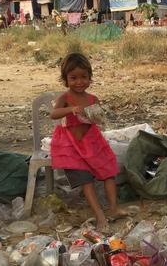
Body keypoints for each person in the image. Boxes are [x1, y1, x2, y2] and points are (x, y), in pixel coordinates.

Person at [50, 53, 125, 231]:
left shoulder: (93, 99)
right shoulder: (65, 98)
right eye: (73, 78)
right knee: (86, 180)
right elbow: (54, 114)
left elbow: (98, 119)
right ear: (66, 80)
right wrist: (71, 109)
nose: (79, 82)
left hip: (92, 142)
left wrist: (95, 117)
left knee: (108, 173)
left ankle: (113, 208)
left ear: (90, 78)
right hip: (71, 145)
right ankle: (99, 215)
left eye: (84, 77)